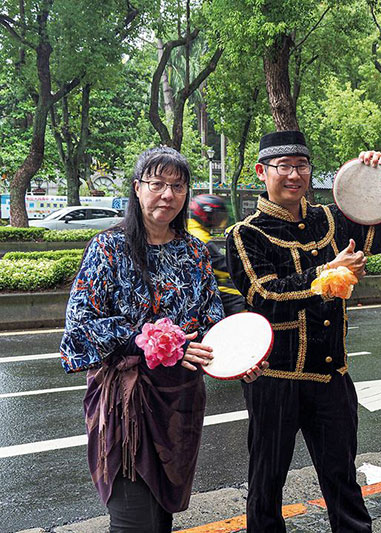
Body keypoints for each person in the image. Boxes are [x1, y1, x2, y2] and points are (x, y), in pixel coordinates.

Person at [225, 130, 381, 532]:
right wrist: (328, 272)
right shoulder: (245, 233)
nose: (294, 175)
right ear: (261, 172)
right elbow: (264, 295)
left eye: (302, 166)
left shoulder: (331, 219)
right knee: (266, 483)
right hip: (275, 380)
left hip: (330, 378)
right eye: (284, 166)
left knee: (342, 479)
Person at [60, 147, 224, 532]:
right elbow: (80, 325)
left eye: (178, 186)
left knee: (161, 515)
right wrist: (147, 341)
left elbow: (212, 318)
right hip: (126, 403)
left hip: (179, 401)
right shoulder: (108, 248)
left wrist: (238, 355)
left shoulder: (195, 251)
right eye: (157, 184)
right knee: (134, 520)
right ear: (137, 188)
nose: (168, 195)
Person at [188, 194, 246, 316]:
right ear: (205, 215)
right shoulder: (200, 238)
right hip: (203, 285)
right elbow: (219, 265)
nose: (219, 221)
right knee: (239, 297)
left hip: (199, 283)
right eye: (217, 216)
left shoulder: (193, 230)